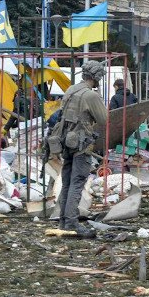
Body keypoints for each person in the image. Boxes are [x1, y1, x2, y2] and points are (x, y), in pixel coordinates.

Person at [49, 59, 108, 238]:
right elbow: (104, 119)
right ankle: (72, 222)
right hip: (81, 145)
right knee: (77, 182)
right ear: (96, 77)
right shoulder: (91, 95)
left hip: (65, 142)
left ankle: (62, 219)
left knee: (66, 182)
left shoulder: (70, 90)